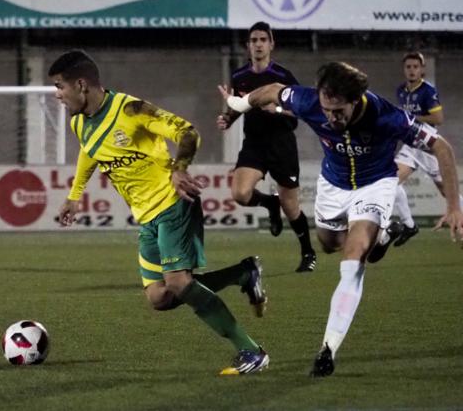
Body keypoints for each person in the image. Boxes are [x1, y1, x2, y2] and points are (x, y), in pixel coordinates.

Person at [219, 61, 463, 377]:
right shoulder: (308, 100)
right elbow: (270, 92)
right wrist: (236, 103)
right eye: (327, 109)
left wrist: (454, 206)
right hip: (333, 184)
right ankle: (385, 235)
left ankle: (327, 350)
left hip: (375, 185)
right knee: (329, 243)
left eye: (339, 112)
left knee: (353, 259)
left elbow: (441, 148)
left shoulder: (386, 116)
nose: (331, 117)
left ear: (355, 100)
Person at [49, 49, 269, 376]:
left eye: (60, 87)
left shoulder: (132, 110)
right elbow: (88, 153)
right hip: (148, 217)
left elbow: (187, 132)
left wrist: (180, 167)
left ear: (81, 85)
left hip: (173, 203)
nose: (57, 95)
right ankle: (242, 273)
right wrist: (73, 195)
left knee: (179, 283)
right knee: (160, 298)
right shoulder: (79, 122)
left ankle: (251, 350)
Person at [217, 21, 316, 273]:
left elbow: (301, 109)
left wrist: (280, 109)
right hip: (255, 143)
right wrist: (227, 118)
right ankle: (269, 204)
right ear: (248, 46)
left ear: (271, 44)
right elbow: (240, 105)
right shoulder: (240, 76)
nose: (258, 44)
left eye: (263, 40)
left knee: (291, 206)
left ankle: (307, 251)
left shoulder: (283, 76)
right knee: (240, 194)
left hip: (282, 143)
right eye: (254, 40)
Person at [393, 51, 463, 246]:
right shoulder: (401, 90)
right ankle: (408, 225)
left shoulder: (427, 91)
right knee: (390, 181)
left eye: (416, 67)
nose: (412, 70)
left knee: (446, 192)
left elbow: (438, 119)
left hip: (427, 146)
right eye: (408, 67)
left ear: (422, 69)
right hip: (410, 146)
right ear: (404, 69)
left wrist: (412, 120)